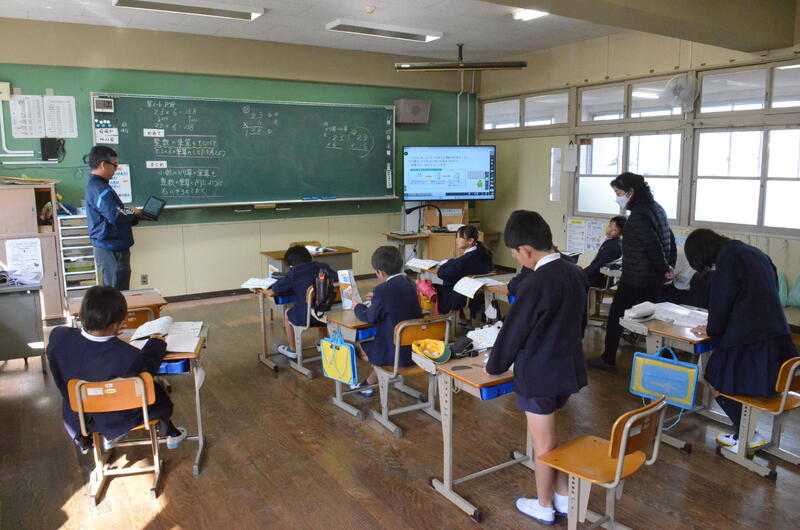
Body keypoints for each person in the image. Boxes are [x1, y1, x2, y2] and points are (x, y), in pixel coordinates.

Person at [486, 210, 588, 525]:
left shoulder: (535, 283)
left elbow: (513, 332)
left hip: (540, 375)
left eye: (516, 254)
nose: (517, 259)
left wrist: (494, 366)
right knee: (550, 439)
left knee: (544, 445)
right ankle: (563, 496)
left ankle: (544, 505)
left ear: (526, 251)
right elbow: (581, 323)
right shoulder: (574, 272)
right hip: (567, 369)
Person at [686, 229, 797, 453]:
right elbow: (768, 290)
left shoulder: (727, 259)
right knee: (738, 378)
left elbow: (722, 301)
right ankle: (748, 431)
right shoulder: (753, 252)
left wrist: (711, 328)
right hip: (778, 333)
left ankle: (746, 434)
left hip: (749, 338)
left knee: (713, 377)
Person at [47, 286, 186, 452]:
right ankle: (168, 433)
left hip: (81, 414)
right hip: (118, 416)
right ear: (116, 325)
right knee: (154, 391)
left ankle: (104, 437)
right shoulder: (126, 355)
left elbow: (81, 345)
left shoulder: (59, 338)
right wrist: (156, 343)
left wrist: (109, 331)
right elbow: (146, 370)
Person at [587, 172, 676, 373]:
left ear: (631, 192)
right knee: (651, 319)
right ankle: (658, 363)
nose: (617, 198)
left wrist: (664, 267)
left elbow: (652, 246)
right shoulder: (656, 208)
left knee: (616, 316)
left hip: (637, 277)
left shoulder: (638, 216)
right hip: (653, 277)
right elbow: (668, 239)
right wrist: (668, 266)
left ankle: (608, 359)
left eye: (618, 193)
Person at [352, 246, 422, 396]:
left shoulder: (382, 290)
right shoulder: (410, 284)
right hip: (414, 349)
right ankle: (368, 384)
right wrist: (377, 299)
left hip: (393, 353)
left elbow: (370, 317)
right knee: (381, 341)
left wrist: (357, 307)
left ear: (381, 272)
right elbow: (398, 300)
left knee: (356, 346)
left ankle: (366, 384)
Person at [84, 146, 142, 290]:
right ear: (103, 164)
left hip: (112, 245)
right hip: (111, 247)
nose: (116, 169)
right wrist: (131, 212)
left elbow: (113, 213)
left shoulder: (100, 186)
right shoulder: (99, 188)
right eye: (114, 165)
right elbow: (114, 215)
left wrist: (132, 215)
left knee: (117, 288)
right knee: (115, 291)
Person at [270, 245, 334, 360]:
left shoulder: (294, 273)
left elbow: (276, 289)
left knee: (287, 312)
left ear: (290, 265)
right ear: (310, 257)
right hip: (328, 315)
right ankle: (321, 343)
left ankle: (293, 350)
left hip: (306, 317)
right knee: (321, 303)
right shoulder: (324, 267)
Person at [435, 225, 494, 320]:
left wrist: (449, 262)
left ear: (470, 241)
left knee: (435, 286)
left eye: (460, 237)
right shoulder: (483, 254)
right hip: (479, 294)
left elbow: (441, 273)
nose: (456, 240)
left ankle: (446, 318)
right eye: (456, 237)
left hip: (463, 296)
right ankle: (462, 318)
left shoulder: (464, 260)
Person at [582, 215, 625, 288]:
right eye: (610, 226)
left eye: (615, 230)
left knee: (573, 278)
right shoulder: (618, 243)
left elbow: (598, 265)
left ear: (620, 233)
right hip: (607, 277)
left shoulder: (611, 246)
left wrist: (583, 273)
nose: (609, 231)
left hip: (599, 277)